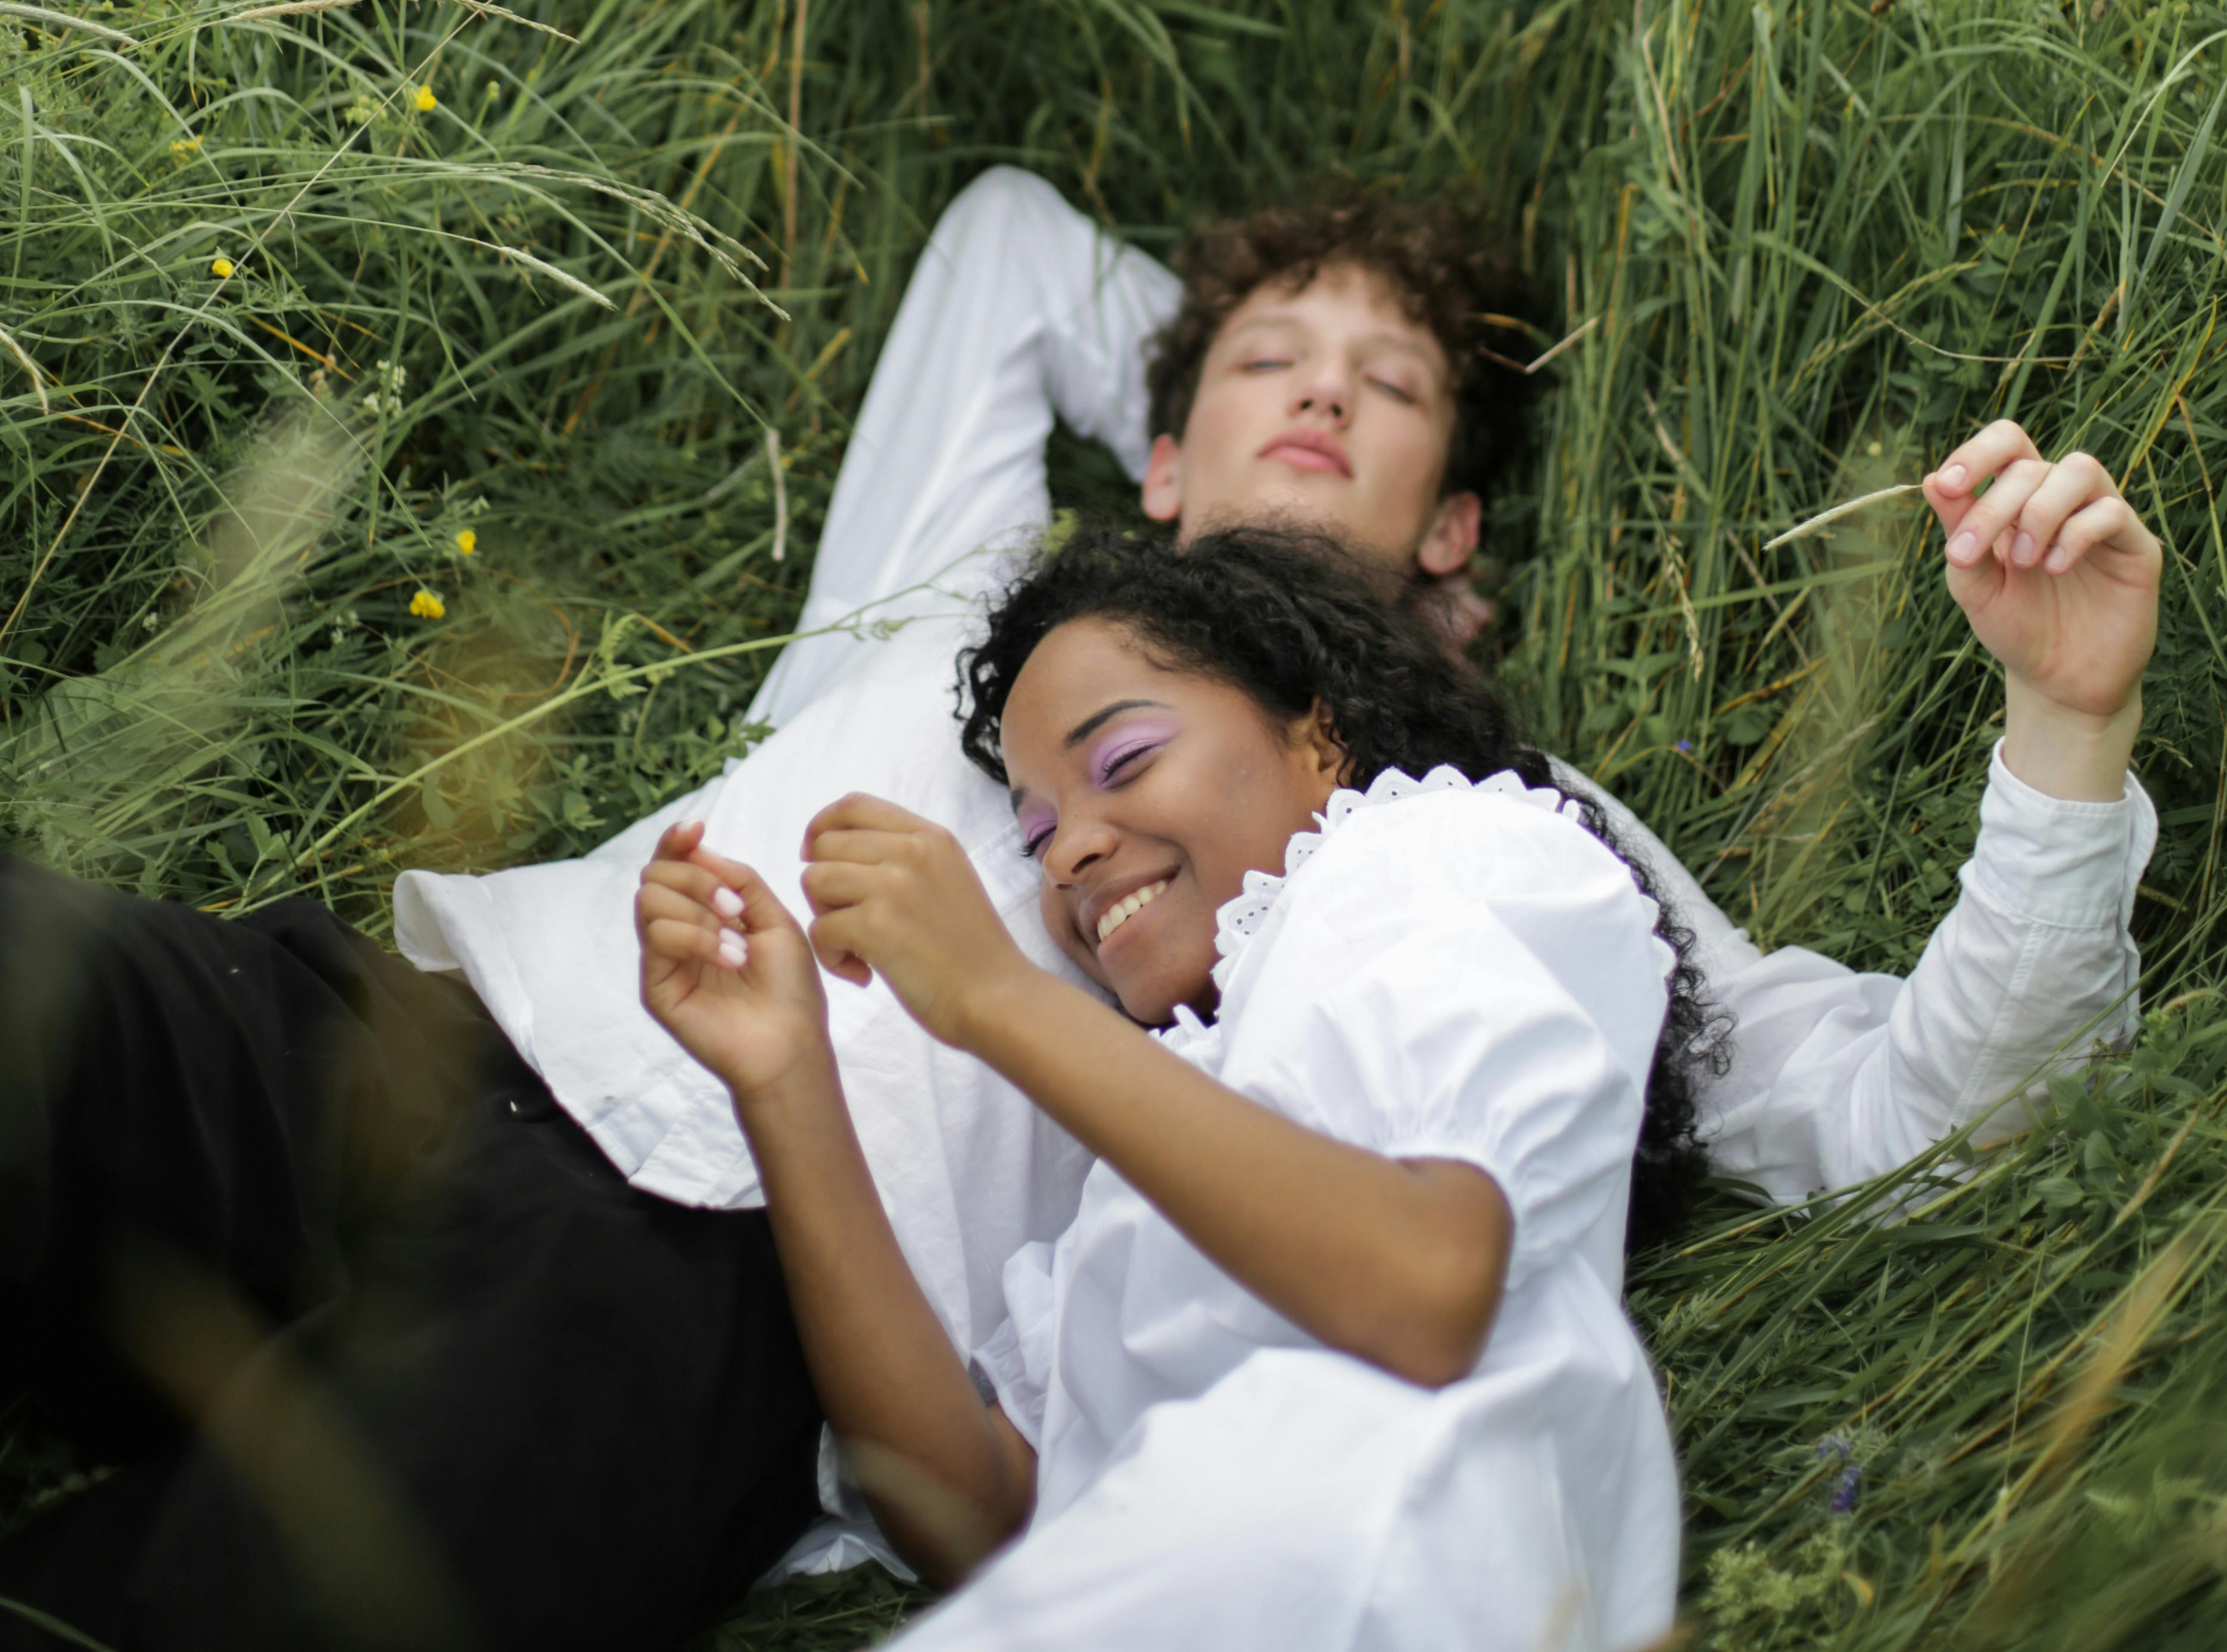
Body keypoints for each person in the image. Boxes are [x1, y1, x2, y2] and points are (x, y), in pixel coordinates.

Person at [0, 170, 2161, 1645]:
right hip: (435, 1016)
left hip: (719, 1285)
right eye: (1264, 363)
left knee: (242, 1598)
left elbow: (1919, 1108)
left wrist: (2067, 729)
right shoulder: (973, 593)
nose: (1321, 389)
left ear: (1460, 526)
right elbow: (1014, 241)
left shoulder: (1500, 819)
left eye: (1390, 389)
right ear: (1146, 441)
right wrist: (1214, 465)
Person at [635, 523, 1703, 1652]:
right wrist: (787, 1076)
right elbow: (988, 1512)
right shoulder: (1160, 1132)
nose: (1066, 855)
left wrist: (996, 997)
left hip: (1374, 1565)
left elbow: (1428, 1285)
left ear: (1320, 735)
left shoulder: (1441, 856)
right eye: (1036, 828)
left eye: (1124, 763)